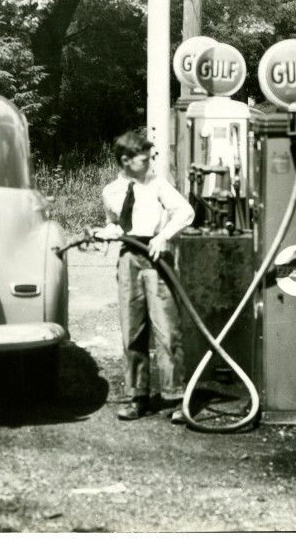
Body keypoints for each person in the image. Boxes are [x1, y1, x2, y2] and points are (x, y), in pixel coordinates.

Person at [96, 128, 195, 420]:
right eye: (143, 159)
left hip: (156, 260)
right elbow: (114, 223)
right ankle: (136, 396)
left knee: (167, 329)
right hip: (129, 260)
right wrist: (108, 233)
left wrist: (164, 236)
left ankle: (176, 398)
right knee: (132, 330)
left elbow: (185, 212)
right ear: (125, 161)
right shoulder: (111, 192)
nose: (149, 163)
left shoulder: (158, 186)